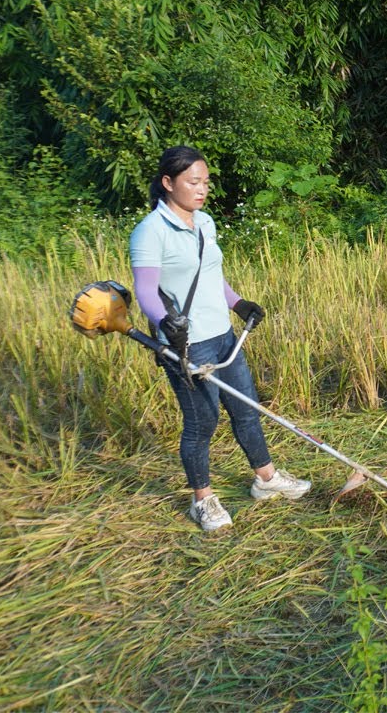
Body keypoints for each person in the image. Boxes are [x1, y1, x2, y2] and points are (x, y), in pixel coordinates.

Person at [130, 145, 311, 532]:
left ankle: (266, 479)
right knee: (202, 422)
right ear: (168, 183)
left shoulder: (206, 223)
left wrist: (238, 303)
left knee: (247, 409)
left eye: (206, 182)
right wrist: (166, 323)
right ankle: (203, 500)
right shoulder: (150, 231)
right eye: (193, 182)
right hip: (186, 345)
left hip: (225, 337)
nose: (202, 189)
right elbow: (145, 290)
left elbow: (212, 276)